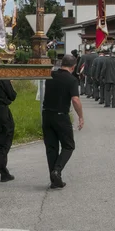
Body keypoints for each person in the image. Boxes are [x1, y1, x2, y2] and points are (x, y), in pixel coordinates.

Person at [41, 54, 84, 189]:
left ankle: (54, 179)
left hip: (47, 114)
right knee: (68, 145)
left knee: (51, 147)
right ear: (73, 66)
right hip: (61, 116)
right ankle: (57, 171)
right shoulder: (71, 80)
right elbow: (75, 100)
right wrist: (81, 116)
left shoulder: (50, 75)